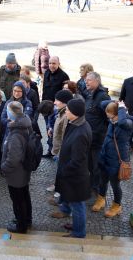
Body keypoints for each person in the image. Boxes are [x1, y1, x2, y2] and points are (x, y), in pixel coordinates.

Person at [55, 98, 92, 238]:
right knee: (74, 202)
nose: (66, 112)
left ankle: (78, 232)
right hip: (73, 173)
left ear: (75, 113)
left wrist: (65, 170)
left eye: (68, 110)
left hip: (75, 175)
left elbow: (78, 159)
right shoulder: (76, 124)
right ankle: (76, 225)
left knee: (77, 205)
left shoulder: (81, 133)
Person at [92, 101, 133, 218]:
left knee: (115, 184)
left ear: (117, 113)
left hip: (117, 159)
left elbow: (121, 122)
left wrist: (122, 109)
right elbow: (102, 104)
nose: (107, 115)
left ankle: (117, 206)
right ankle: (101, 199)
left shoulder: (127, 123)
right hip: (105, 156)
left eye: (109, 113)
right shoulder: (112, 120)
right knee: (102, 181)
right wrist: (114, 102)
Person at [1, 102, 33, 234]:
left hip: (16, 173)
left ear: (12, 114)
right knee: (24, 195)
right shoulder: (25, 124)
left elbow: (13, 158)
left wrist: (4, 167)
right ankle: (27, 220)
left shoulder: (16, 134)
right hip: (23, 171)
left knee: (18, 200)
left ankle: (21, 226)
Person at [48, 90, 74, 219]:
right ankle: (61, 202)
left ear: (64, 102)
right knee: (60, 178)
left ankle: (65, 208)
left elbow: (65, 137)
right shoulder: (61, 112)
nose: (54, 102)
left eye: (57, 100)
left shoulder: (65, 116)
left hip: (62, 152)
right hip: (59, 151)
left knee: (64, 180)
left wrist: (60, 153)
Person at [85, 72, 111, 193]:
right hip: (89, 136)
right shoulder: (90, 94)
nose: (86, 82)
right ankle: (91, 184)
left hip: (98, 138)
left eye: (89, 80)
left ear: (97, 81)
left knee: (96, 164)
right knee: (90, 163)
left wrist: (101, 131)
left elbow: (108, 117)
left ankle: (97, 188)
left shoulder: (103, 97)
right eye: (86, 80)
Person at [42, 56, 70, 157]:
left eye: (54, 63)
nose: (51, 65)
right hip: (46, 107)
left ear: (58, 63)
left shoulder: (64, 76)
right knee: (48, 129)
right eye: (50, 63)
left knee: (56, 131)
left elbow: (66, 95)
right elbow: (44, 89)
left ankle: (57, 152)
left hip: (57, 109)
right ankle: (50, 150)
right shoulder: (46, 73)